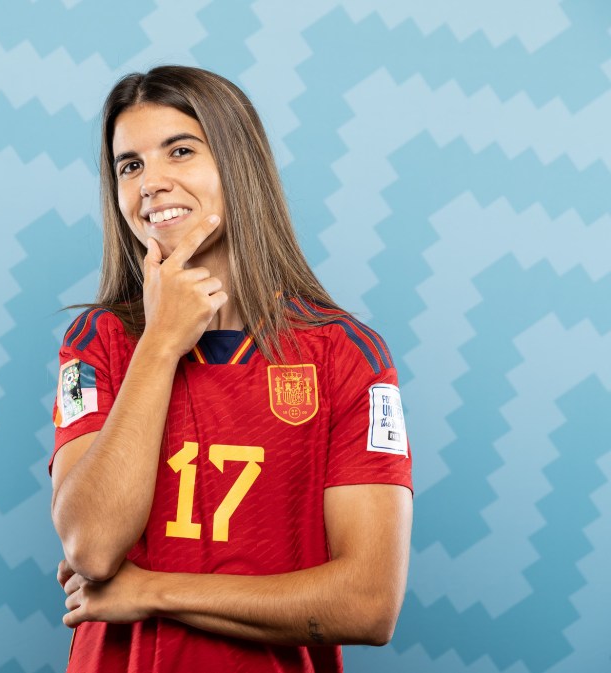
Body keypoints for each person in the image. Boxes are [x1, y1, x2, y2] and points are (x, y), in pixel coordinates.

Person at [49, 65, 413, 673]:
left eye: (181, 151)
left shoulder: (344, 353)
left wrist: (152, 591)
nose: (151, 183)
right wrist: (161, 342)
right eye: (129, 165)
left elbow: (368, 603)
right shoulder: (100, 342)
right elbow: (92, 545)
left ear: (237, 167)